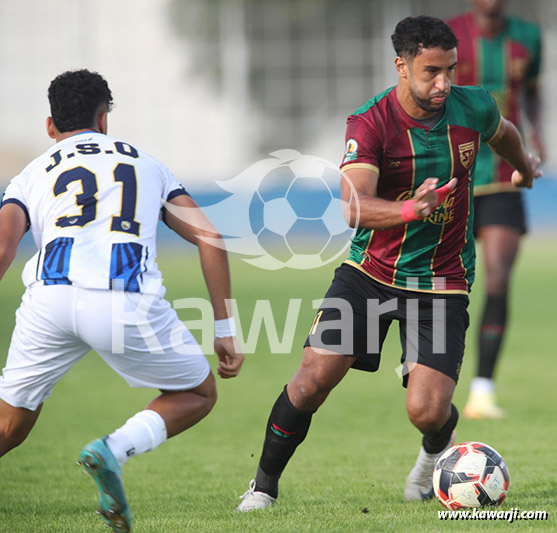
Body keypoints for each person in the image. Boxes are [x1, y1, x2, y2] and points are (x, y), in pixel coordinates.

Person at [236, 16, 541, 511]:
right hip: (368, 276)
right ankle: (263, 487)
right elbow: (352, 204)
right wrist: (409, 209)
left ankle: (427, 469)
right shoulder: (371, 121)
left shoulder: (472, 105)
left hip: (442, 282)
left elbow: (501, 130)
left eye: (450, 70)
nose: (443, 83)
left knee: (426, 410)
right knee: (312, 378)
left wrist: (523, 166)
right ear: (401, 66)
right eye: (430, 72)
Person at [0, 69, 244, 532]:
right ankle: (111, 450)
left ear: (50, 126)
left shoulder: (30, 174)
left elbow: (3, 247)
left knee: (10, 425)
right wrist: (224, 329)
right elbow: (211, 237)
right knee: (197, 392)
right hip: (123, 301)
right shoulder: (147, 165)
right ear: (104, 119)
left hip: (48, 300)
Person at [448, 0, 543, 420]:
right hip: (455, 174)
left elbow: (533, 91)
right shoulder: (449, 38)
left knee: (498, 278)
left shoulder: (528, 37)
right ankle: (424, 372)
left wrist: (536, 135)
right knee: (444, 281)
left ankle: (482, 390)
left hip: (506, 176)